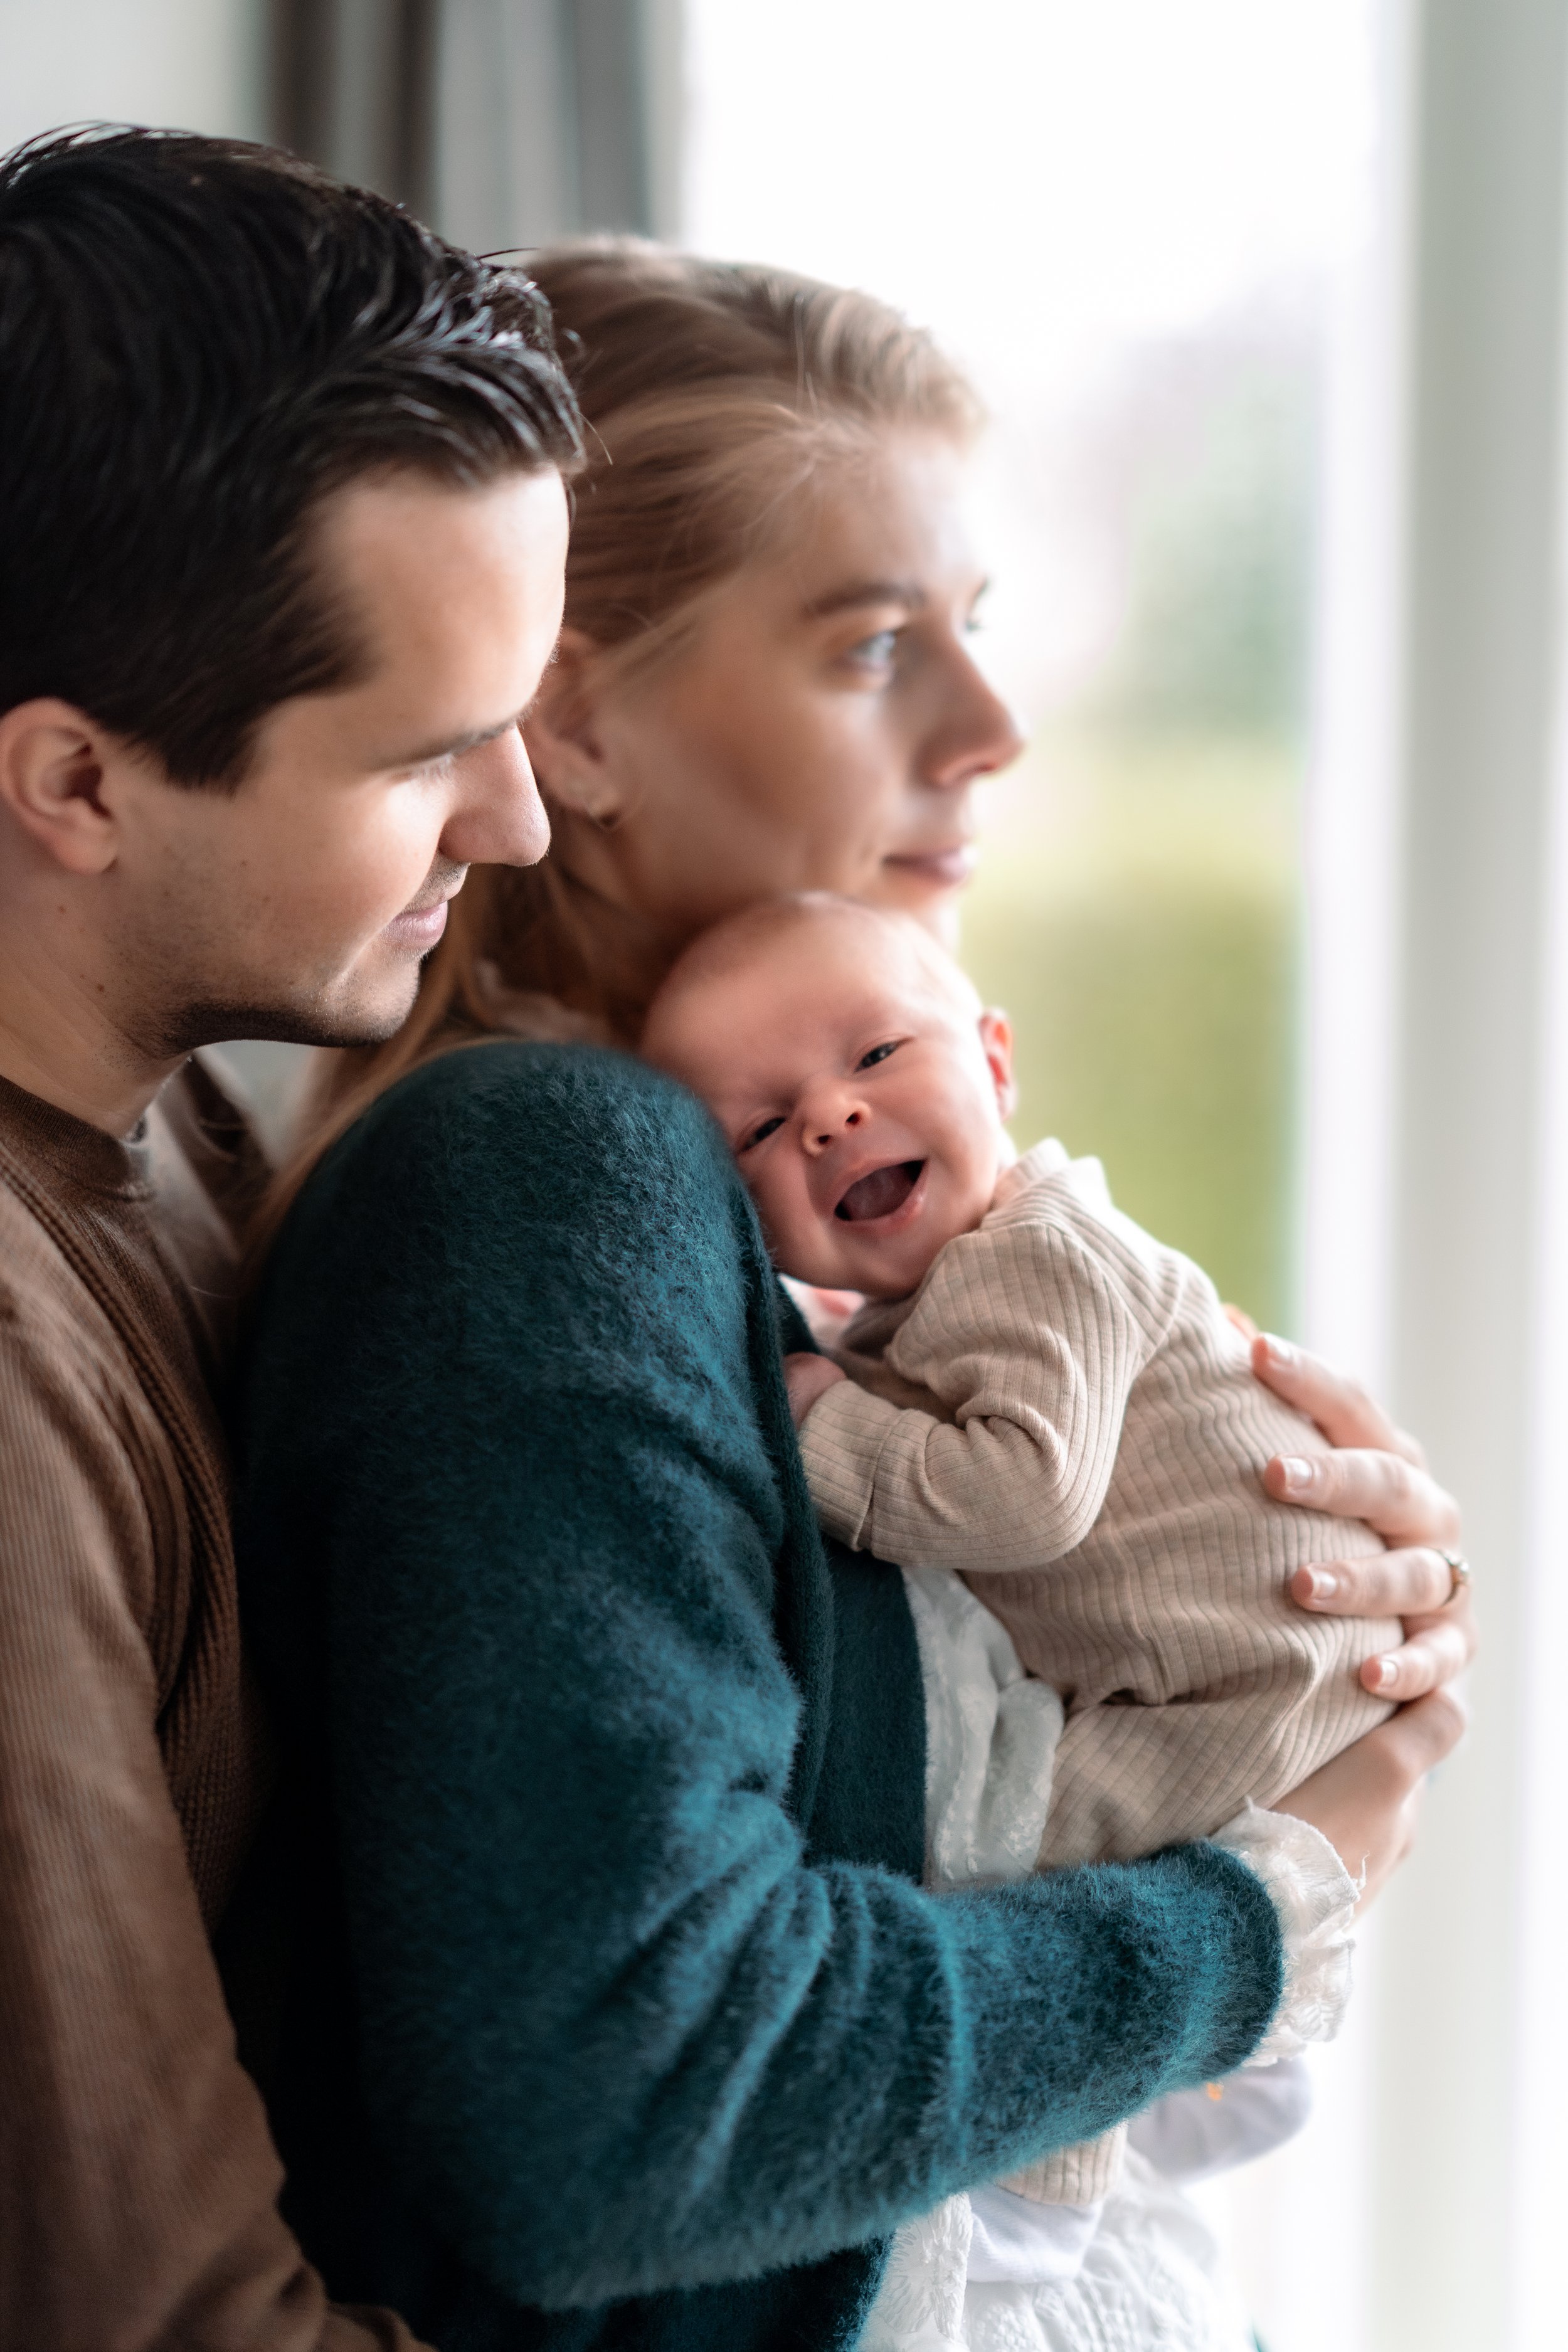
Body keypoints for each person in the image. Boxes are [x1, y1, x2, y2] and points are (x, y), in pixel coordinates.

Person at [238, 241, 1471, 2351]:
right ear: (578, 720)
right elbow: (635, 2107)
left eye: (976, 629)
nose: (993, 729)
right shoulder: (556, 1177)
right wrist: (1275, 1898)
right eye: (876, 647)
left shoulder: (716, 1225)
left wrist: (1252, 1562)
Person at [0, 125, 580, 2349]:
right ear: (76, 786)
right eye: (432, 752)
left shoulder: (187, 1119)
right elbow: (162, 2322)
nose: (520, 819)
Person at [642, 887, 1409, 2206]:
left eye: (875, 1056)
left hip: (1252, 1675)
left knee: (998, 1880)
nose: (828, 1114)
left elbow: (1022, 1500)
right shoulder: (944, 1295)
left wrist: (820, 1425)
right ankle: (1203, 2094)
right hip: (1231, 1662)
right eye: (762, 1128)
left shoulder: (1039, 1255)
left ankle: (1045, 2197)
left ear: (993, 1060)